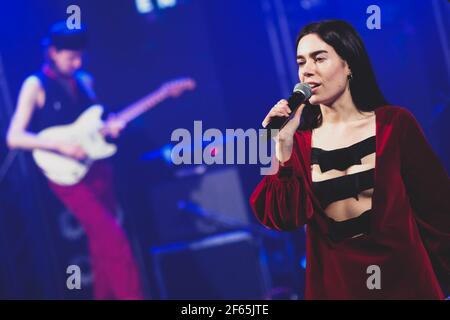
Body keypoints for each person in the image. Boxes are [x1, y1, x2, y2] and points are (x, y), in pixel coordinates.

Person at [250, 20, 450, 299]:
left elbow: (438, 211)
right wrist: (281, 146)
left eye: (319, 58)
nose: (307, 71)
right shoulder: (300, 144)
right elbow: (283, 218)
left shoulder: (395, 125)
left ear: (348, 65)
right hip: (338, 288)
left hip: (405, 283)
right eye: (301, 62)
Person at [6, 22, 144, 299]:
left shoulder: (84, 81)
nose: (77, 62)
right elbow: (15, 137)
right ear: (53, 52)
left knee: (101, 245)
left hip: (98, 169)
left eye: (81, 56)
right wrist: (59, 146)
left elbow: (95, 127)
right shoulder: (35, 85)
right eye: (71, 57)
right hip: (67, 177)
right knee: (115, 241)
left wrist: (111, 128)